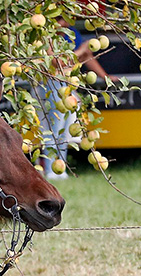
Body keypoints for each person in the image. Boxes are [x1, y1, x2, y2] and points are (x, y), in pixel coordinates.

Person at [37, 18, 113, 180]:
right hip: (53, 84)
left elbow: (88, 56)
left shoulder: (72, 34)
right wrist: (81, 50)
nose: (64, 23)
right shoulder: (47, 37)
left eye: (65, 19)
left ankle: (60, 168)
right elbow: (56, 62)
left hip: (70, 86)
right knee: (54, 127)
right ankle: (51, 169)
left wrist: (104, 76)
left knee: (65, 129)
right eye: (59, 20)